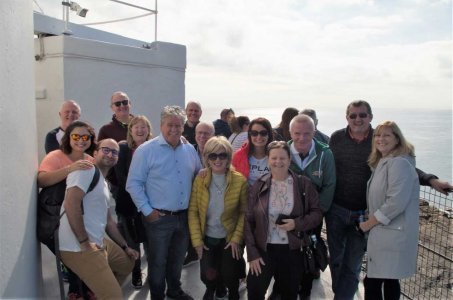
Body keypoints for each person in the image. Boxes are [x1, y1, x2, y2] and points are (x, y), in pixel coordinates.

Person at [327, 100, 453, 300]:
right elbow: (326, 166)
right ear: (347, 118)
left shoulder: (379, 138)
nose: (357, 119)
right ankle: (340, 292)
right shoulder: (336, 138)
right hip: (337, 210)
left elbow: (403, 168)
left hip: (364, 215)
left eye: (362, 115)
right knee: (336, 261)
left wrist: (431, 179)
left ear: (370, 117)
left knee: (353, 265)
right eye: (353, 115)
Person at [126, 105, 202, 300]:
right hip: (158, 218)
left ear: (184, 127)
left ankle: (174, 291)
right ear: (161, 125)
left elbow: (199, 177)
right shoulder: (146, 151)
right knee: (158, 262)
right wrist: (147, 211)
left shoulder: (189, 150)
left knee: (177, 260)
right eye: (170, 125)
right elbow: (133, 184)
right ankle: (158, 295)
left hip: (184, 218)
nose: (174, 129)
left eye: (178, 125)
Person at [58, 138, 139, 300]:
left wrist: (125, 246)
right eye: (106, 150)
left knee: (127, 263)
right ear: (95, 153)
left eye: (115, 152)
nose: (110, 154)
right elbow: (71, 204)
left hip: (98, 242)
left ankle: (96, 293)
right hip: (78, 247)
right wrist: (84, 242)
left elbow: (109, 222)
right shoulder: (86, 170)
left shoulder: (104, 183)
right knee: (114, 297)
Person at [244, 141, 322, 300]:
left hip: (292, 251)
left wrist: (297, 223)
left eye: (282, 158)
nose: (278, 162)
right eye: (274, 158)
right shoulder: (258, 185)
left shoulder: (303, 184)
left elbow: (317, 213)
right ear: (268, 159)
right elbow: (248, 221)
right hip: (263, 250)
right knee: (254, 292)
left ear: (289, 160)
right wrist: (252, 253)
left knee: (289, 294)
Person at [359, 121, 419, 300]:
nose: (380, 139)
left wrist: (368, 223)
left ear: (397, 139)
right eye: (377, 135)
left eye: (386, 135)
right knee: (386, 280)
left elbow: (396, 202)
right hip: (386, 232)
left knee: (376, 281)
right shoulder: (384, 162)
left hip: (391, 233)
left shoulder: (399, 163)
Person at [38, 120, 96, 300]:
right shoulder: (56, 155)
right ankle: (77, 292)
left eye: (85, 136)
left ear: (91, 139)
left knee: (82, 258)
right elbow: (41, 180)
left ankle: (82, 291)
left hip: (78, 220)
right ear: (68, 138)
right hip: (55, 220)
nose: (80, 140)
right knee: (73, 260)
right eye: (76, 136)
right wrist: (70, 169)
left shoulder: (90, 160)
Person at [188, 136, 248, 300]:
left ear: (229, 156)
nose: (218, 160)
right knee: (207, 274)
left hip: (229, 237)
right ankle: (212, 288)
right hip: (207, 236)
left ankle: (233, 292)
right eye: (212, 156)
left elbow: (244, 212)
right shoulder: (200, 180)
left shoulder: (239, 181)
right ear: (206, 157)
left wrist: (236, 238)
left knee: (230, 273)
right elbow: (193, 211)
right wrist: (197, 242)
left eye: (222, 155)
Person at [288, 114, 336, 298]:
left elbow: (330, 184)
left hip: (313, 216)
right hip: (289, 214)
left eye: (307, 133)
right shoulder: (283, 150)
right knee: (288, 251)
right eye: (297, 133)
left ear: (314, 132)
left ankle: (306, 289)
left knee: (308, 250)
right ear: (290, 132)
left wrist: (318, 213)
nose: (301, 138)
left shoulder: (325, 153)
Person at [113, 115, 153, 289]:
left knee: (151, 242)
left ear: (148, 130)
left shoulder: (155, 148)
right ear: (130, 130)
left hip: (151, 203)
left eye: (143, 127)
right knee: (132, 242)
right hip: (128, 204)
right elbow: (121, 176)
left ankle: (154, 273)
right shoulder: (123, 148)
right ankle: (136, 271)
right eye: (136, 127)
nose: (140, 130)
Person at [184, 121, 216, 267]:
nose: (202, 136)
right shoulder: (189, 150)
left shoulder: (219, 153)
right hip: (192, 198)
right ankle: (193, 254)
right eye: (199, 133)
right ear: (195, 135)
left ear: (213, 135)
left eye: (206, 133)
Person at [232, 117, 273, 186]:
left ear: (269, 135)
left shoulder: (277, 155)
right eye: (254, 133)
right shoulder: (239, 156)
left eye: (263, 133)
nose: (259, 137)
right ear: (249, 135)